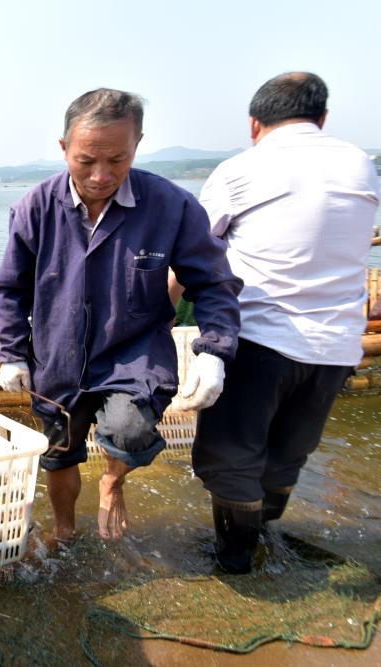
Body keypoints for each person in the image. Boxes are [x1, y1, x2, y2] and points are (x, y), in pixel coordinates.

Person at [0, 88, 242, 544]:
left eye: (117, 160)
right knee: (59, 451)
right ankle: (65, 528)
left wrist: (214, 350)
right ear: (64, 147)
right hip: (57, 354)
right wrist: (12, 353)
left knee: (128, 430)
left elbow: (214, 282)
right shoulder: (34, 208)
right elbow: (9, 290)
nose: (102, 176)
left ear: (137, 145)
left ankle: (113, 479)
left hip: (134, 350)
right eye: (86, 161)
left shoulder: (171, 205)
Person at [190, 72, 380, 574]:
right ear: (322, 118)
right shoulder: (361, 164)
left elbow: (195, 256)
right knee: (286, 454)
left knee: (231, 458)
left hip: (259, 340)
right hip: (337, 348)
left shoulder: (242, 170)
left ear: (255, 124)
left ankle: (235, 559)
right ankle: (264, 539)